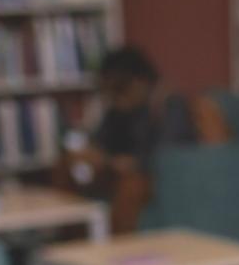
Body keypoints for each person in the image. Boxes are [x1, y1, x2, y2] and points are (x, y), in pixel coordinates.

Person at [53, 45, 160, 234]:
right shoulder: (116, 112)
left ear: (139, 82)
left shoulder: (160, 109)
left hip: (144, 179)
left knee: (131, 184)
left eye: (119, 89)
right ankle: (70, 238)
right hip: (112, 173)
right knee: (65, 164)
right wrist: (86, 153)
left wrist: (111, 161)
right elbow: (99, 144)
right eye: (110, 91)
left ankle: (118, 247)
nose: (114, 98)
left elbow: (154, 160)